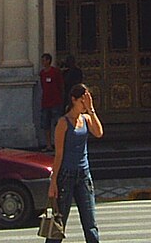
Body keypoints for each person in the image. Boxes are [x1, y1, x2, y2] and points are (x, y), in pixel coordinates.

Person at [49, 83, 104, 243]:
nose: (84, 104)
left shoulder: (86, 119)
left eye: (87, 100)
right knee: (59, 223)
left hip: (84, 175)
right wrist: (54, 182)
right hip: (66, 175)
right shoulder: (63, 123)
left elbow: (99, 133)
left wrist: (91, 109)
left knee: (90, 223)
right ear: (73, 100)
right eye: (82, 100)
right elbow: (58, 154)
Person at [39, 52, 64, 151]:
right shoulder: (42, 73)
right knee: (46, 125)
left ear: (49, 61)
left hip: (56, 101)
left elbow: (61, 85)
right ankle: (49, 144)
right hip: (46, 102)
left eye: (44, 60)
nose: (42, 62)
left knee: (57, 124)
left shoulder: (55, 72)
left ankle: (58, 143)